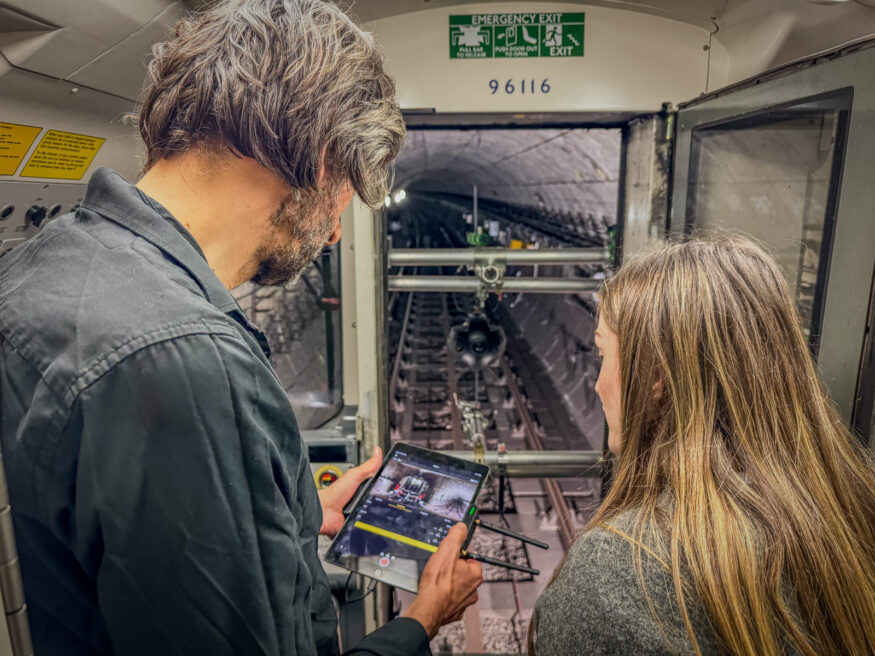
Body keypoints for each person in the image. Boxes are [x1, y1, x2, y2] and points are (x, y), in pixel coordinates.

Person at [0, 1, 481, 654]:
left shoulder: (36, 263)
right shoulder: (189, 363)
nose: (335, 232)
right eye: (346, 197)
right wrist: (418, 622)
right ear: (321, 160)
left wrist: (296, 515)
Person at [530, 236, 875, 655]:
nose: (598, 384)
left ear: (656, 377)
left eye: (603, 354)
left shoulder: (616, 572)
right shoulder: (853, 507)